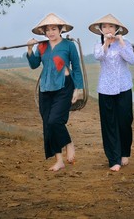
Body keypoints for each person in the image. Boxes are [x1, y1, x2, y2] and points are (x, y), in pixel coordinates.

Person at [26, 13, 84, 171]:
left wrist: (77, 89)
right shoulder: (42, 46)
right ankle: (59, 160)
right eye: (47, 30)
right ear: (43, 32)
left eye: (54, 29)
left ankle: (69, 143)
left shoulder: (68, 45)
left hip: (64, 86)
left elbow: (77, 68)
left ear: (60, 29)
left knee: (54, 121)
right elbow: (34, 64)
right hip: (45, 88)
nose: (50, 32)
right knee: (48, 125)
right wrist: (30, 49)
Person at [89, 14, 134, 172]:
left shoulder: (126, 43)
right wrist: (106, 45)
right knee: (109, 124)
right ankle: (113, 158)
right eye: (104, 27)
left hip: (124, 87)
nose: (108, 29)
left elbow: (131, 59)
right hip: (105, 89)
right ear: (100, 30)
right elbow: (98, 56)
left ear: (117, 29)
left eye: (111, 26)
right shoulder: (98, 45)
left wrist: (121, 42)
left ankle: (124, 152)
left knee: (125, 121)